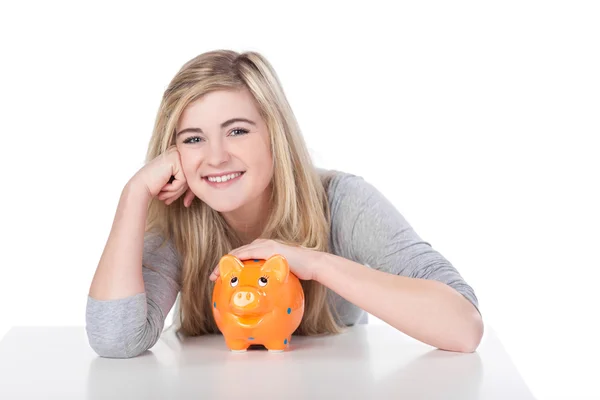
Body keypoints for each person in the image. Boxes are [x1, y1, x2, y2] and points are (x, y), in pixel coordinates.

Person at [86, 49, 483, 359]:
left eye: (237, 131)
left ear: (274, 134)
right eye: (193, 139)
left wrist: (313, 263)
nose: (217, 156)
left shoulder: (343, 202)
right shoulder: (183, 220)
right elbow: (115, 341)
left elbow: (463, 327)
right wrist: (134, 194)